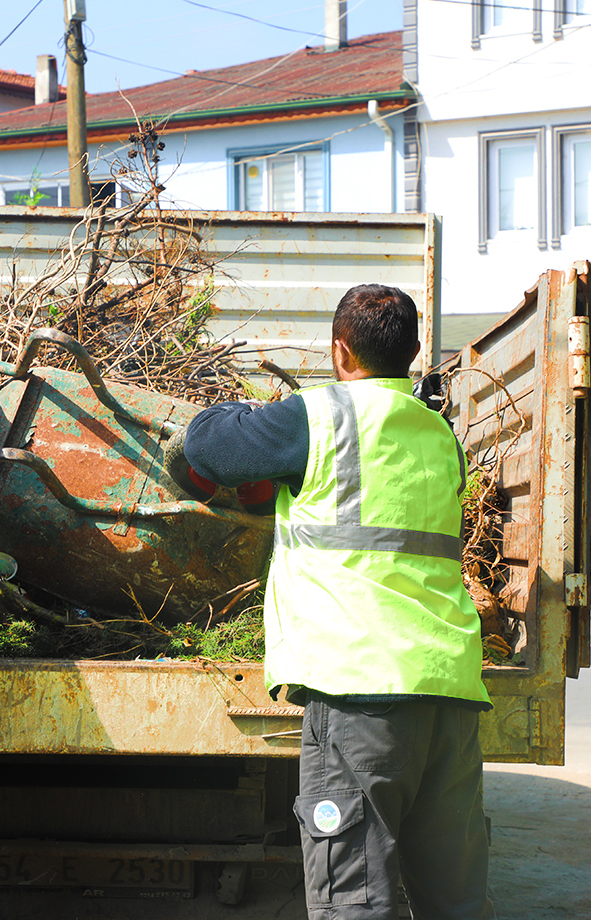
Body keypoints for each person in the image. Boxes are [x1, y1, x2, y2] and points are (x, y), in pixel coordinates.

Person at [182, 284, 492, 920]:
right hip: (448, 694)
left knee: (352, 894)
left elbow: (207, 447)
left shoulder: (318, 417)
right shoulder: (440, 437)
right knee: (455, 899)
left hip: (360, 694)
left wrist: (236, 407)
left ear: (339, 350)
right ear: (409, 354)